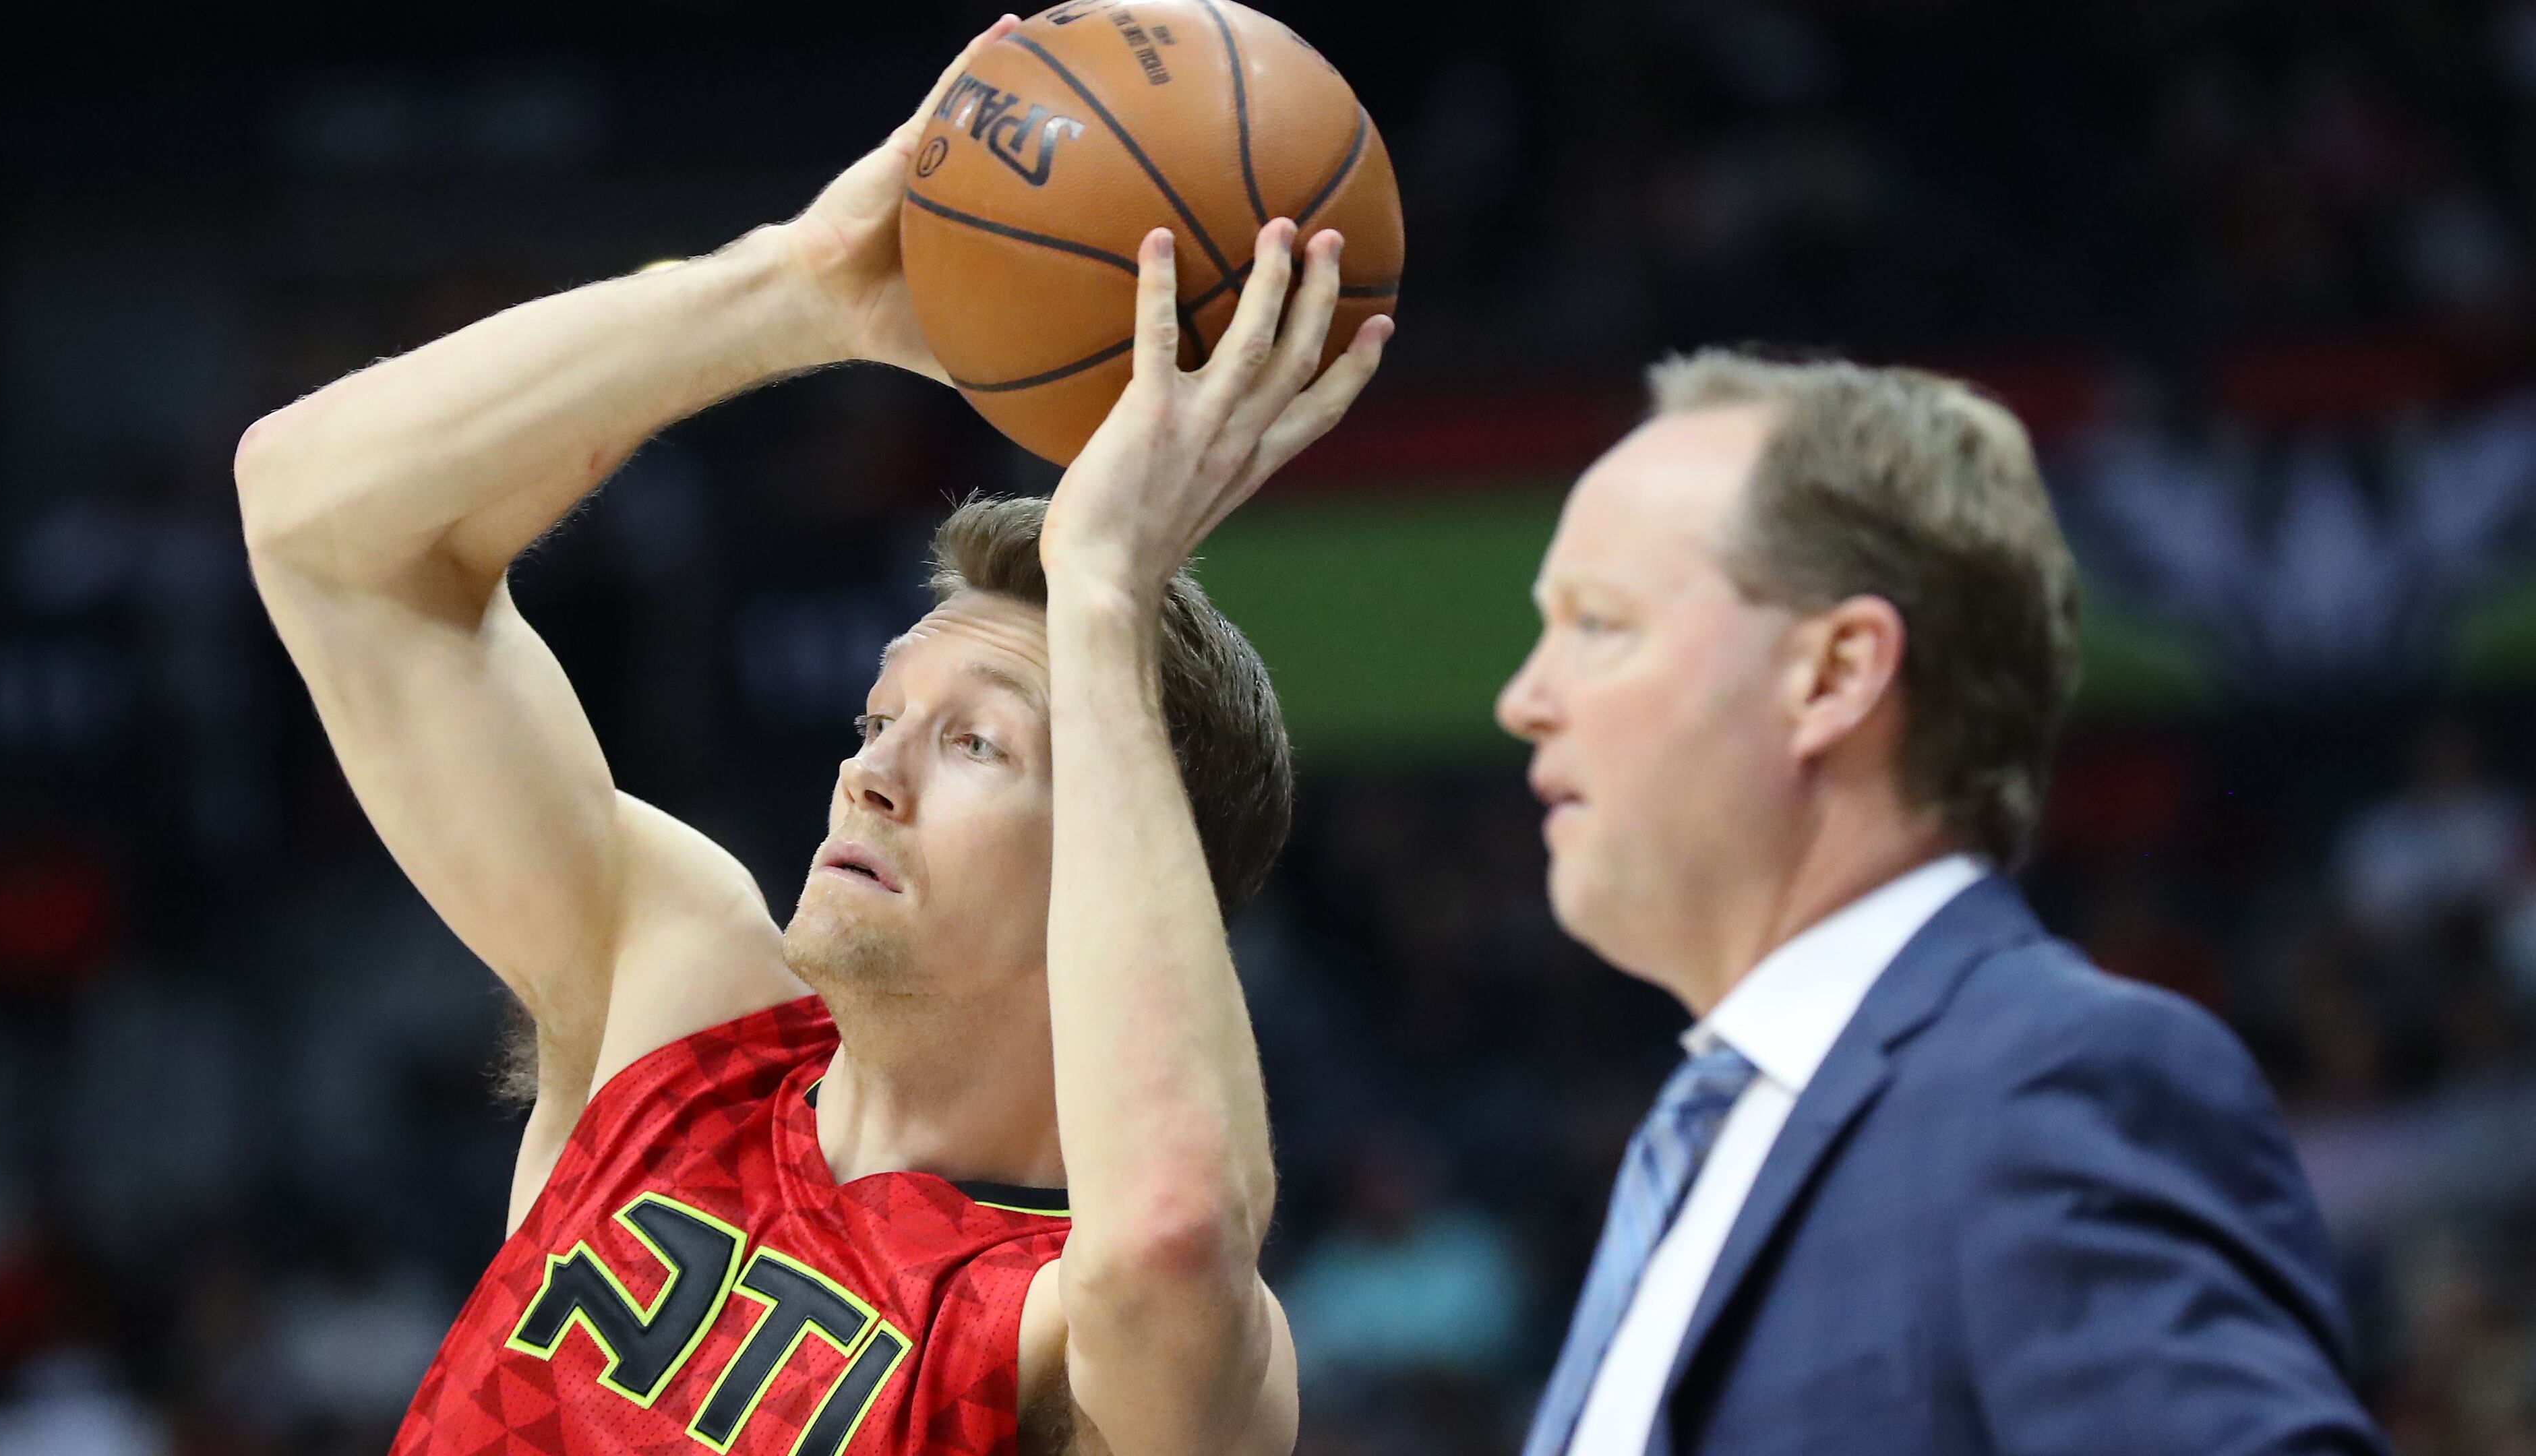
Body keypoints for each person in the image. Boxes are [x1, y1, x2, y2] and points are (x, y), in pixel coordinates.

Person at [230, 14, 1393, 1454]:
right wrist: (786, 294)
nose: (870, 771)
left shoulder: (1072, 1340)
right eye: (882, 714)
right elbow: (320, 527)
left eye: (979, 746)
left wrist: (1105, 597)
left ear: (1128, 869)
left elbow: (1167, 1239)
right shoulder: (682, 1012)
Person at [1497, 354, 2386, 1456]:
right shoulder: (1704, 1139)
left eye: (1598, 624)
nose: (1524, 699)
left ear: (1832, 675)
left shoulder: (2052, 1083)